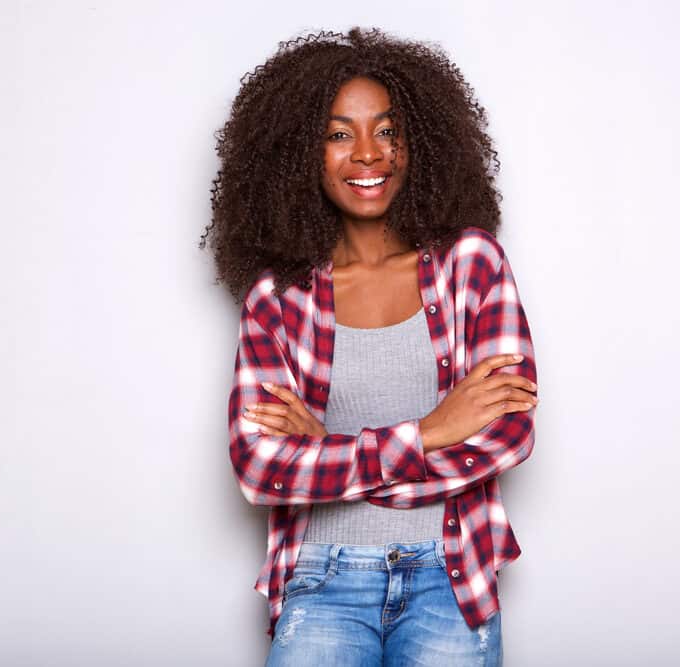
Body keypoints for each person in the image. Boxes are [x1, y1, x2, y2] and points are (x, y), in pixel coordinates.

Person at [201, 26, 539, 666]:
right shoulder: (277, 300)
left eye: (387, 131)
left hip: (452, 577)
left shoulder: (473, 265)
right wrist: (433, 430)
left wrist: (329, 456)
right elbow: (260, 469)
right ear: (299, 153)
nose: (367, 154)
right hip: (322, 582)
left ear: (417, 145)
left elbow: (507, 436)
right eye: (338, 134)